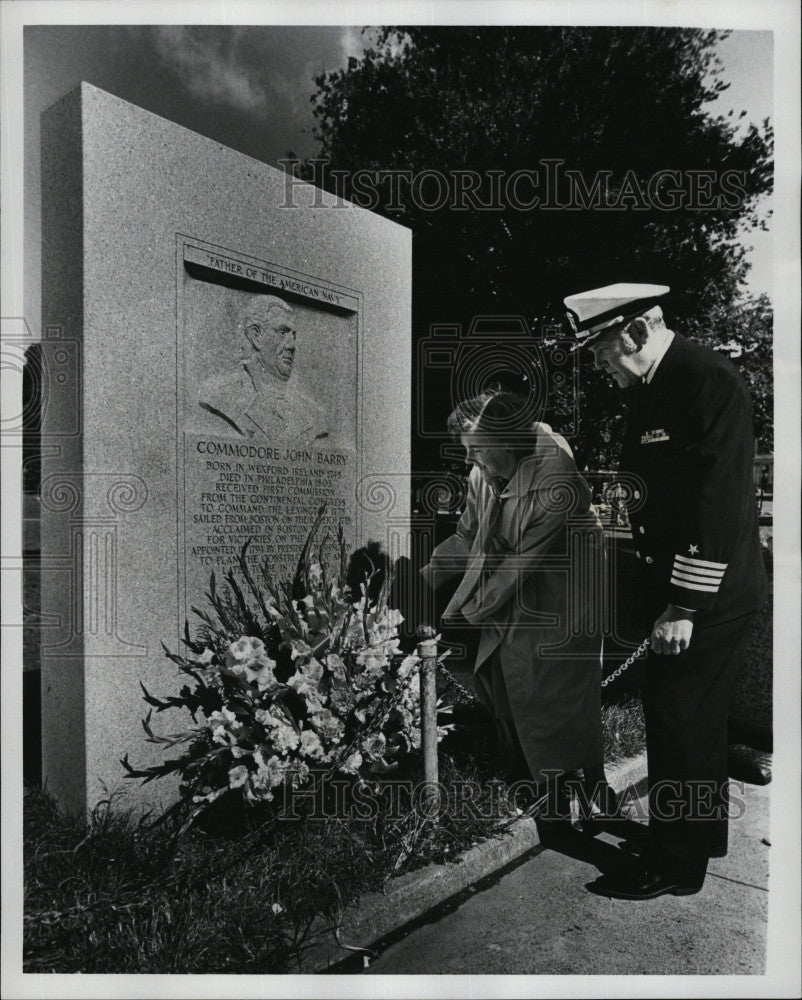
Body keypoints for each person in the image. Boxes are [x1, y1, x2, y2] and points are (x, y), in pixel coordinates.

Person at [564, 282, 768, 899]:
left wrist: (684, 605)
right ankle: (691, 839)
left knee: (684, 722)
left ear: (637, 330)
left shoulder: (704, 378)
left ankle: (678, 864)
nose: (598, 365)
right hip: (682, 591)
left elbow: (718, 501)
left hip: (708, 595)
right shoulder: (659, 383)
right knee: (684, 720)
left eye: (601, 350)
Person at [420, 390, 616, 836]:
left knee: (557, 681)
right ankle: (530, 773)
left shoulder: (555, 475)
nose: (470, 460)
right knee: (501, 670)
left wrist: (460, 616)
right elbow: (468, 537)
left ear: (506, 439)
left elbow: (518, 565)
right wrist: (421, 581)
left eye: (476, 448)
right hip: (516, 575)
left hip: (565, 582)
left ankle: (580, 789)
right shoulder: (482, 471)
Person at [198, 293, 330, 446]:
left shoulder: (312, 412)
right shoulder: (221, 394)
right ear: (256, 336)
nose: (292, 346)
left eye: (293, 336)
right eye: (282, 333)